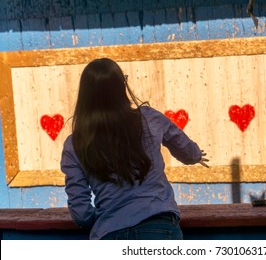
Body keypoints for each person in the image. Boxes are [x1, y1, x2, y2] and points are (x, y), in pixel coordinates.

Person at [60, 58, 209, 240]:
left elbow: (80, 213)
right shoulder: (149, 119)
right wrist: (196, 157)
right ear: (121, 87)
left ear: (85, 95)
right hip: (160, 228)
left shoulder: (74, 144)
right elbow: (188, 152)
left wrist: (108, 220)